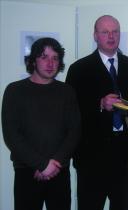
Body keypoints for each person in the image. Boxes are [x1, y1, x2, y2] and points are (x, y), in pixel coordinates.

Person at [65, 15, 128, 210]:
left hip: (125, 156)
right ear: (95, 36)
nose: (111, 36)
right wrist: (99, 104)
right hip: (91, 157)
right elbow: (70, 113)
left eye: (115, 31)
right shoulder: (78, 69)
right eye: (105, 32)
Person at [1, 37, 81, 210]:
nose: (50, 63)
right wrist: (41, 165)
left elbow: (74, 131)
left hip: (59, 170)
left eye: (55, 58)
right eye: (44, 57)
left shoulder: (67, 91)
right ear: (33, 60)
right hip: (26, 171)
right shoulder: (14, 91)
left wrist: (54, 163)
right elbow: (11, 135)